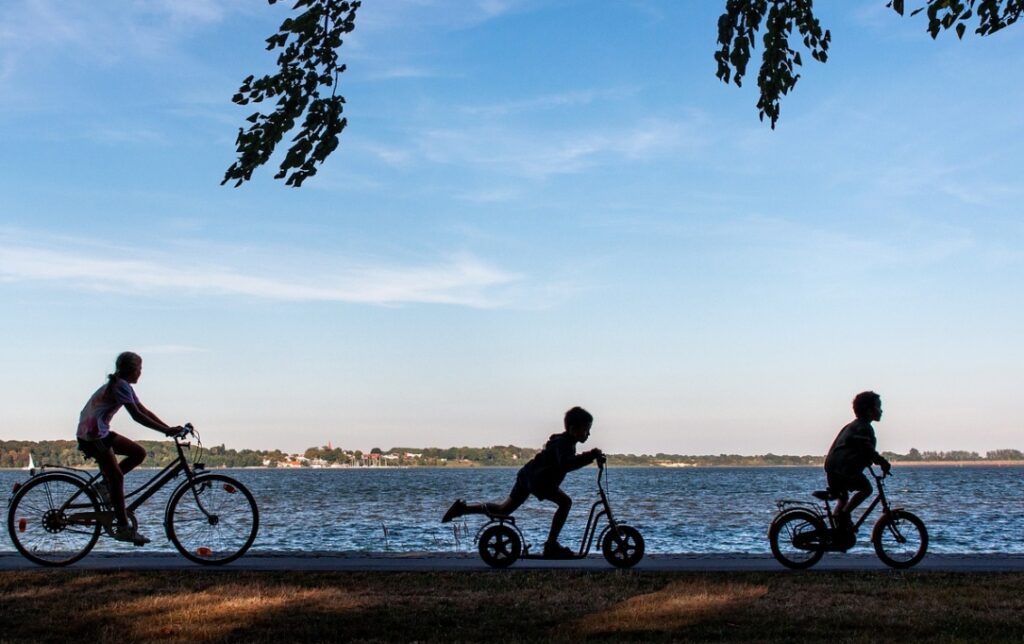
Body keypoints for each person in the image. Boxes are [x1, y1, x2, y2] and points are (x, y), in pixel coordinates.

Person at [441, 406, 603, 559]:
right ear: (573, 429)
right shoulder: (564, 443)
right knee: (565, 503)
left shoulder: (565, 442)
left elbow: (567, 461)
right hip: (539, 480)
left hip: (528, 475)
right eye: (586, 429)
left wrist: (590, 456)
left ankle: (463, 509)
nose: (588, 433)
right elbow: (566, 464)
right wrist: (590, 456)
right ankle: (551, 545)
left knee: (503, 510)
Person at [76, 351, 183, 545]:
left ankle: (104, 486)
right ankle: (124, 528)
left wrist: (168, 428)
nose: (141, 372)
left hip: (98, 431)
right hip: (92, 435)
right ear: (131, 370)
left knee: (138, 453)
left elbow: (143, 410)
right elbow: (137, 416)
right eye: (139, 368)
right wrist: (165, 431)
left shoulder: (123, 385)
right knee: (116, 477)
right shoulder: (120, 385)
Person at [824, 391, 891, 538]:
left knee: (843, 499)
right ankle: (843, 516)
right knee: (866, 489)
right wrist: (882, 462)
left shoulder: (853, 425)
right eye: (878, 407)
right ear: (868, 410)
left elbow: (859, 450)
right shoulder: (863, 427)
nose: (881, 410)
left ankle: (839, 533)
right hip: (843, 470)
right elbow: (867, 449)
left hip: (834, 469)